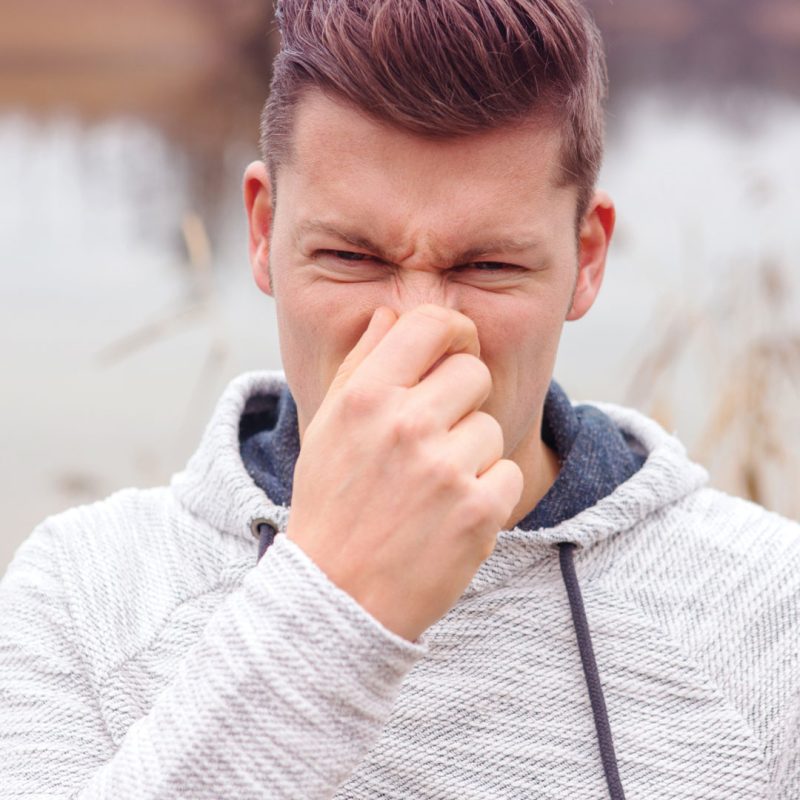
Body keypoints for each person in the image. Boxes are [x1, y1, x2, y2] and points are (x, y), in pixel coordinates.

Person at [1, 0, 799, 797]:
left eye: (488, 267)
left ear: (586, 258)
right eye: (350, 256)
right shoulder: (82, 596)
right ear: (261, 231)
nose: (418, 331)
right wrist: (329, 603)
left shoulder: (769, 617)